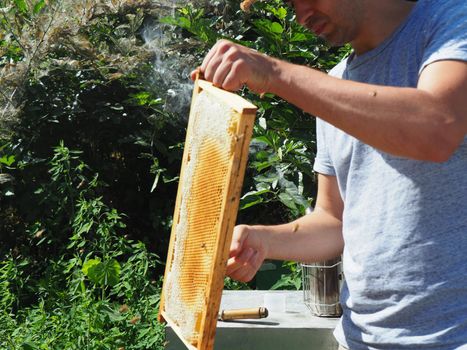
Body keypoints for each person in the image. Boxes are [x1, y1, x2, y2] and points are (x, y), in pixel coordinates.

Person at [191, 0, 467, 348]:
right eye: (290, 4)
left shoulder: (453, 18)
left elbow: (438, 127)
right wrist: (262, 240)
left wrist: (275, 74)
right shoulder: (335, 84)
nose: (302, 15)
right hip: (361, 339)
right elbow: (334, 220)